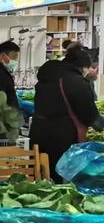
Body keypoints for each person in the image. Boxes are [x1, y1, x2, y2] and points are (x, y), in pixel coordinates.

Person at [30, 47, 104, 183]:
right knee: (60, 178)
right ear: (83, 67)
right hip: (61, 137)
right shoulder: (76, 81)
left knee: (42, 175)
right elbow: (89, 115)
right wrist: (100, 124)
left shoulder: (47, 76)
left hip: (38, 132)